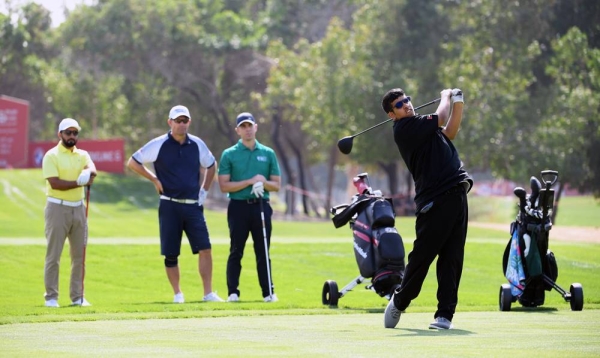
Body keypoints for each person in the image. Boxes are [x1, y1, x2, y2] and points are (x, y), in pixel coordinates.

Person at [381, 88, 473, 330]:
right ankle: (400, 300)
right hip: (435, 200)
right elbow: (441, 118)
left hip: (457, 193)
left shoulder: (423, 126)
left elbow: (449, 131)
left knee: (452, 257)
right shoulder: (405, 129)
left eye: (407, 100)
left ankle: (445, 315)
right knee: (422, 257)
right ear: (392, 115)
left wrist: (459, 103)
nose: (407, 105)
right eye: (400, 104)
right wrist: (445, 97)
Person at [127, 105, 223, 303]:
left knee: (205, 248)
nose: (181, 124)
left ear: (189, 122)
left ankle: (208, 293)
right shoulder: (159, 144)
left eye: (184, 121)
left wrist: (204, 191)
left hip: (192, 205)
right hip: (169, 204)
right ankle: (178, 293)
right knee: (171, 253)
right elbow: (133, 162)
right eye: (177, 121)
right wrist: (154, 179)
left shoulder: (197, 144)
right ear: (169, 122)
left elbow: (211, 165)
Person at [218, 112, 281, 303]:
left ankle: (268, 292)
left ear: (256, 127)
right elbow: (224, 186)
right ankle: (233, 292)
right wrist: (249, 182)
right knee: (236, 250)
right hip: (238, 207)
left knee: (263, 250)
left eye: (249, 125)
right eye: (243, 126)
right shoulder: (229, 154)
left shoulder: (268, 153)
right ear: (237, 130)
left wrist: (263, 182)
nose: (247, 129)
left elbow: (276, 185)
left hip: (261, 206)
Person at [42, 118, 97, 307]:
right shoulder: (51, 155)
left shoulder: (82, 154)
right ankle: (51, 297)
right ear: (60, 134)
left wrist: (89, 172)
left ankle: (77, 297)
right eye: (68, 133)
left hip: (78, 208)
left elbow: (93, 169)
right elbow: (54, 183)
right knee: (54, 255)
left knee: (79, 255)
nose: (72, 136)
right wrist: (78, 182)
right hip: (57, 208)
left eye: (75, 133)